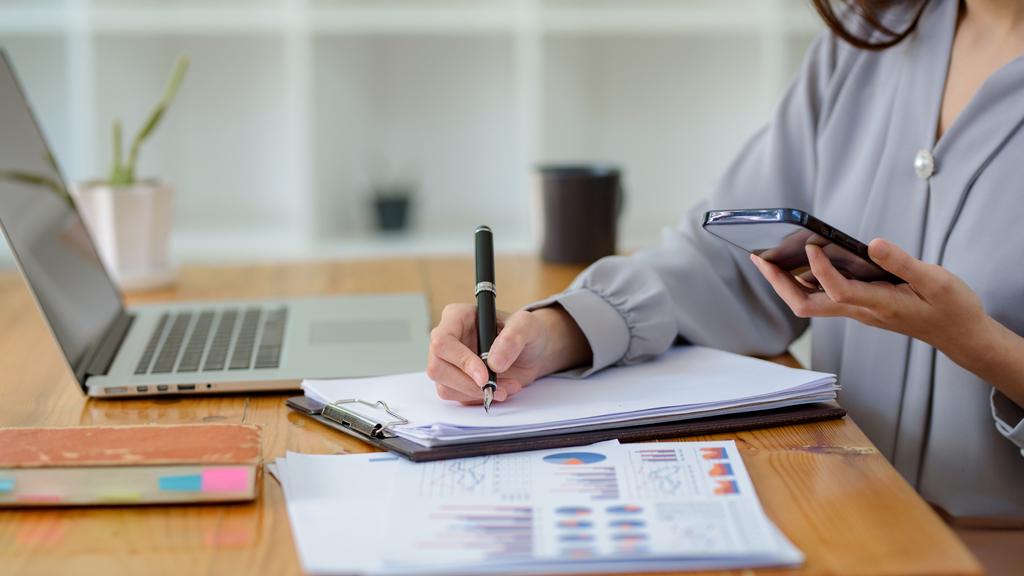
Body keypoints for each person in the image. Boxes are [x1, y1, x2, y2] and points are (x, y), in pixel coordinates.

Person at [427, 0, 1024, 524]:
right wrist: (559, 332)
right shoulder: (872, 35)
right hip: (845, 520)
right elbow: (732, 265)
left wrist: (977, 343)